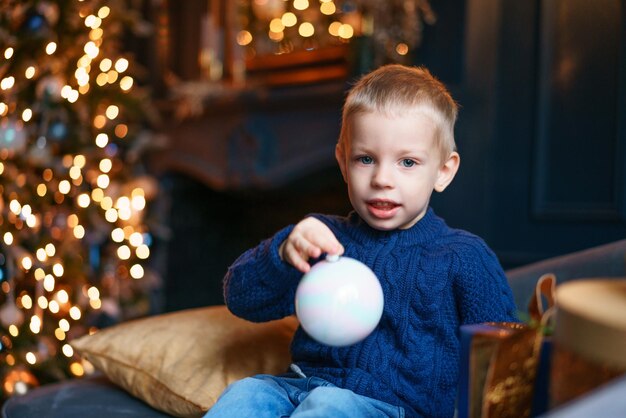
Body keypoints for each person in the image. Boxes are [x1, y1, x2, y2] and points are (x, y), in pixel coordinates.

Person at [205, 64, 518, 418]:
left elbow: (503, 356)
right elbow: (241, 299)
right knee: (247, 393)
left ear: (443, 171)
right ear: (342, 161)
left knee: (330, 406)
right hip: (301, 385)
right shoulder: (321, 239)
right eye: (365, 159)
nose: (382, 178)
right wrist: (282, 252)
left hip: (394, 408)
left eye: (408, 162)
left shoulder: (464, 256)